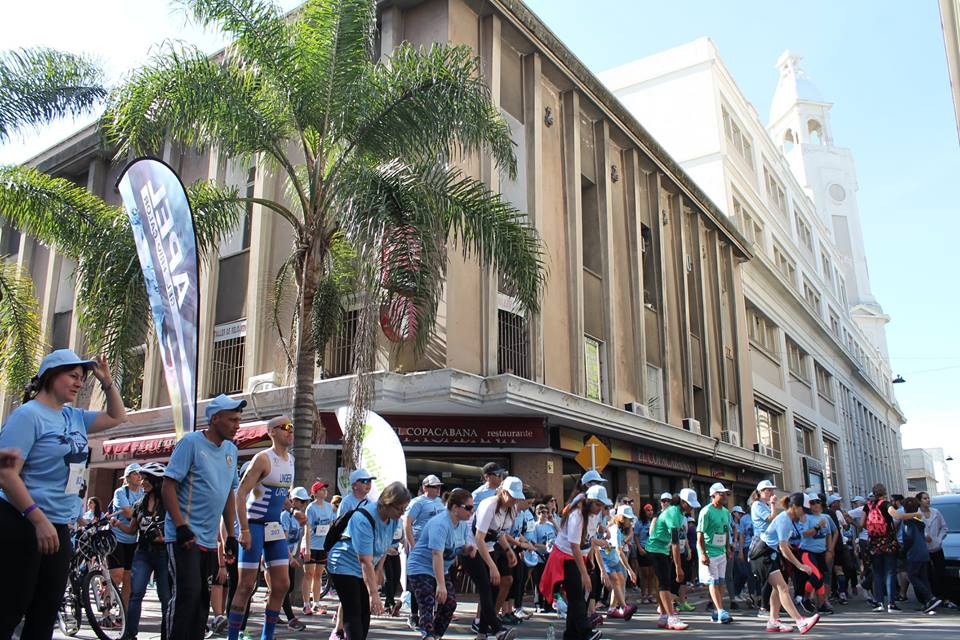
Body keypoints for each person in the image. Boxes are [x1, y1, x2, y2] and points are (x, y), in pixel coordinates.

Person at [0, 350, 126, 640]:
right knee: (9, 610)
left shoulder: (74, 416)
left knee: (44, 615)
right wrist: (36, 518)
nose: (79, 383)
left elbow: (117, 416)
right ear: (50, 376)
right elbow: (6, 473)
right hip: (22, 523)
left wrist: (106, 382)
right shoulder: (27, 416)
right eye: (72, 376)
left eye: (82, 378)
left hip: (58, 528)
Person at [163, 394, 243, 640]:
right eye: (232, 420)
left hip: (209, 540)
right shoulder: (191, 443)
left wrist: (231, 535)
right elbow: (168, 486)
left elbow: (228, 493)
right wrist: (180, 526)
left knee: (201, 600)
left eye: (239, 420)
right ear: (215, 419)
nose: (237, 425)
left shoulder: (231, 450)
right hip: (184, 536)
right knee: (187, 593)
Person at [227, 415, 295, 640]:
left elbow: (275, 492)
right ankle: (233, 636)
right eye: (285, 427)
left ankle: (267, 636)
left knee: (283, 584)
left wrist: (286, 502)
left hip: (274, 526)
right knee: (246, 585)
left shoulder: (291, 460)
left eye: (292, 427)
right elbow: (241, 494)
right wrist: (244, 530)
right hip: (254, 526)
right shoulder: (262, 458)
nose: (290, 431)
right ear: (272, 432)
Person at [327, 481, 411, 640]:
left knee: (364, 614)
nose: (401, 513)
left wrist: (379, 570)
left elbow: (385, 546)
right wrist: (374, 593)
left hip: (364, 566)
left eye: (404, 509)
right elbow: (365, 561)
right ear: (386, 503)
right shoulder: (363, 518)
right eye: (399, 508)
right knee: (354, 610)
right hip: (343, 563)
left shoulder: (393, 519)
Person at [540, 484, 611, 640]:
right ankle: (585, 632)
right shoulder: (577, 515)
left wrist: (592, 555)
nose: (600, 508)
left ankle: (570, 635)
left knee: (577, 598)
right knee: (577, 596)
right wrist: (584, 574)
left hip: (579, 556)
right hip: (565, 557)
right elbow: (574, 546)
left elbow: (588, 539)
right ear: (589, 502)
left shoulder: (594, 515)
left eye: (602, 505)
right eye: (598, 504)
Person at [110, 462, 170, 640]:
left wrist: (162, 538)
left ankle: (166, 635)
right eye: (142, 478)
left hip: (163, 554)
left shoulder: (168, 505)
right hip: (142, 552)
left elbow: (178, 531)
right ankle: (130, 634)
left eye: (146, 479)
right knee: (136, 593)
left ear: (157, 482)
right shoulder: (139, 504)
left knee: (165, 597)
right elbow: (132, 530)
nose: (142, 482)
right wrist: (118, 524)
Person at [406, 488, 475, 640]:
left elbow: (457, 547)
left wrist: (467, 549)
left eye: (473, 507)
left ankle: (435, 635)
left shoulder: (462, 524)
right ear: (455, 508)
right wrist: (441, 584)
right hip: (420, 567)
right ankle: (428, 634)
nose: (472, 511)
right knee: (428, 603)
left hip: (439, 568)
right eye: (468, 508)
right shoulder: (440, 524)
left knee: (449, 604)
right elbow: (436, 554)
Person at [750, 493, 820, 634]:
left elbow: (783, 544)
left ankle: (773, 621)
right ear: (794, 507)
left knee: (778, 588)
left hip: (770, 554)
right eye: (803, 510)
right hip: (762, 554)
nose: (804, 514)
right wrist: (799, 565)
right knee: (783, 588)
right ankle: (800, 621)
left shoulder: (791, 520)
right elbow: (783, 546)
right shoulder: (785, 519)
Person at [465, 476, 525, 640]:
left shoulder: (511, 509)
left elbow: (499, 532)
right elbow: (479, 538)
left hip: (490, 545)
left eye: (517, 497)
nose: (515, 500)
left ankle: (482, 633)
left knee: (494, 588)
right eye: (512, 496)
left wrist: (508, 550)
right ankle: (498, 629)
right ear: (503, 492)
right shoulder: (489, 504)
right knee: (485, 586)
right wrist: (492, 566)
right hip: (472, 547)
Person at [644, 488, 699, 631]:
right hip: (656, 549)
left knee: (663, 582)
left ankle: (663, 616)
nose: (692, 507)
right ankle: (671, 617)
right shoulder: (673, 513)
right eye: (690, 504)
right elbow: (675, 543)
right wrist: (678, 567)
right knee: (665, 583)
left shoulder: (680, 513)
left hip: (662, 549)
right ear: (682, 502)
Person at [861, 483, 920, 613]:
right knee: (890, 573)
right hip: (888, 542)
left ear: (873, 493)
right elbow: (897, 516)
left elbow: (862, 524)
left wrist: (874, 530)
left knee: (877, 573)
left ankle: (878, 602)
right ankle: (891, 604)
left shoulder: (868, 506)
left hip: (874, 543)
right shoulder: (886, 504)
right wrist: (915, 514)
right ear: (884, 492)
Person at [403, 474, 445, 624]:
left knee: (434, 581)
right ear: (425, 487)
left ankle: (430, 613)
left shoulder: (440, 503)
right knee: (418, 582)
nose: (438, 489)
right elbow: (407, 524)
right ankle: (414, 614)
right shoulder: (417, 503)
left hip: (435, 548)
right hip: (420, 547)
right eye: (434, 486)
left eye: (439, 486)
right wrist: (413, 546)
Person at [109, 463, 144, 609]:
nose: (139, 476)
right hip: (117, 537)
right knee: (117, 575)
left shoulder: (144, 492)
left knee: (128, 579)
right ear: (127, 477)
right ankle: (107, 609)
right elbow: (129, 514)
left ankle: (123, 613)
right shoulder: (120, 492)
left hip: (133, 539)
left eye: (140, 474)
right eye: (135, 473)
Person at [697, 482, 733, 623]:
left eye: (725, 494)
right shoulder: (706, 511)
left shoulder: (725, 512)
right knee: (713, 581)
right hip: (710, 552)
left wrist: (728, 548)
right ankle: (720, 611)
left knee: (721, 582)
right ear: (713, 495)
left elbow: (726, 531)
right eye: (721, 493)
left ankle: (717, 610)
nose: (725, 496)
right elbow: (700, 535)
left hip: (721, 552)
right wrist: (703, 554)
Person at [901, 496, 942, 613]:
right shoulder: (919, 520)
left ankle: (930, 598)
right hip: (924, 551)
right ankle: (928, 603)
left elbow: (908, 538)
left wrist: (904, 550)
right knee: (924, 578)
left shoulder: (907, 521)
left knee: (913, 576)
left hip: (914, 552)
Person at [797, 494, 836, 615]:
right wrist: (818, 527)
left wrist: (830, 550)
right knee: (816, 576)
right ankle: (806, 598)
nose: (816, 505)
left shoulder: (826, 517)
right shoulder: (805, 518)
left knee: (821, 578)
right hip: (808, 552)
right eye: (812, 503)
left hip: (821, 552)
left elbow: (829, 534)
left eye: (818, 502)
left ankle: (821, 604)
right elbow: (806, 534)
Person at [302, 480, 334, 614]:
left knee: (318, 574)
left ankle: (316, 603)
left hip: (323, 545)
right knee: (308, 574)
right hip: (311, 544)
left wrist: (331, 544)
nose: (324, 491)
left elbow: (331, 525)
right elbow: (307, 528)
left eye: (325, 489)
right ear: (315, 493)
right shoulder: (311, 508)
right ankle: (306, 604)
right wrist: (307, 548)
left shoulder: (329, 507)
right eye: (321, 489)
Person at [918, 491, 954, 607]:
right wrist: (923, 536)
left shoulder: (936, 512)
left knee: (941, 573)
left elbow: (944, 527)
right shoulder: (916, 514)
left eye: (928, 498)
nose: (927, 500)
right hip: (924, 550)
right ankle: (930, 599)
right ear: (919, 501)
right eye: (924, 498)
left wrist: (939, 539)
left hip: (937, 548)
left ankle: (945, 598)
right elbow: (914, 530)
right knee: (927, 575)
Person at [602, 504, 638, 621]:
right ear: (622, 518)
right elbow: (618, 550)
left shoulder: (617, 529)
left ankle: (612, 609)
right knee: (617, 581)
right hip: (607, 558)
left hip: (613, 558)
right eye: (629, 519)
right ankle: (624, 607)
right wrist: (629, 569)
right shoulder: (615, 529)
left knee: (621, 580)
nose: (630, 521)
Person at [281, 488, 310, 631]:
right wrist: (290, 557)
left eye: (305, 502)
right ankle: (290, 618)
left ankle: (272, 610)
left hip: (291, 556)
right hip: (281, 555)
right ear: (293, 501)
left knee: (290, 586)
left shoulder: (299, 517)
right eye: (301, 501)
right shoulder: (285, 516)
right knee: (284, 587)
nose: (303, 505)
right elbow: (283, 540)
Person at [528, 503, 559, 612]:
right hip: (539, 557)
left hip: (550, 558)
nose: (545, 514)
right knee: (539, 581)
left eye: (546, 512)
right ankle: (538, 604)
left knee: (549, 581)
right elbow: (534, 543)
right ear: (537, 513)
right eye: (542, 512)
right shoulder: (535, 526)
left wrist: (553, 521)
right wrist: (546, 546)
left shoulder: (550, 525)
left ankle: (549, 604)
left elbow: (560, 534)